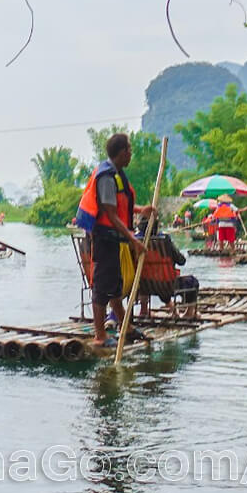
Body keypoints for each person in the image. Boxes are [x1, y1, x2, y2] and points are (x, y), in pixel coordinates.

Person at [74, 133, 155, 349]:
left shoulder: (117, 174)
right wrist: (133, 240)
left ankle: (126, 326)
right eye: (129, 150)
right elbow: (110, 214)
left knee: (115, 286)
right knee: (102, 287)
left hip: (113, 238)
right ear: (122, 153)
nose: (131, 154)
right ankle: (100, 336)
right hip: (103, 237)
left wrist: (141, 210)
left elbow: (120, 207)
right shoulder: (107, 177)